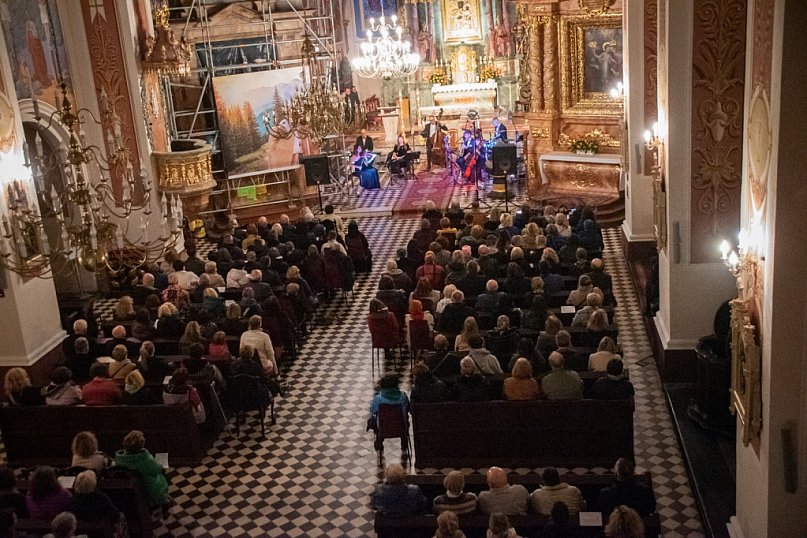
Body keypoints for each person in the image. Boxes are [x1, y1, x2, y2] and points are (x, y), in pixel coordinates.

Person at [114, 430, 170, 506]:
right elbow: (157, 470)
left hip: (132, 486)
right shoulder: (146, 460)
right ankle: (161, 499)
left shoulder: (120, 459)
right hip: (148, 486)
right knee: (163, 476)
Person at [369, 374, 410, 453]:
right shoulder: (403, 396)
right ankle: (404, 440)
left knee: (373, 418)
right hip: (401, 426)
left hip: (383, 427)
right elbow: (408, 409)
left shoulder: (378, 399)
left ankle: (379, 441)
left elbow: (373, 411)